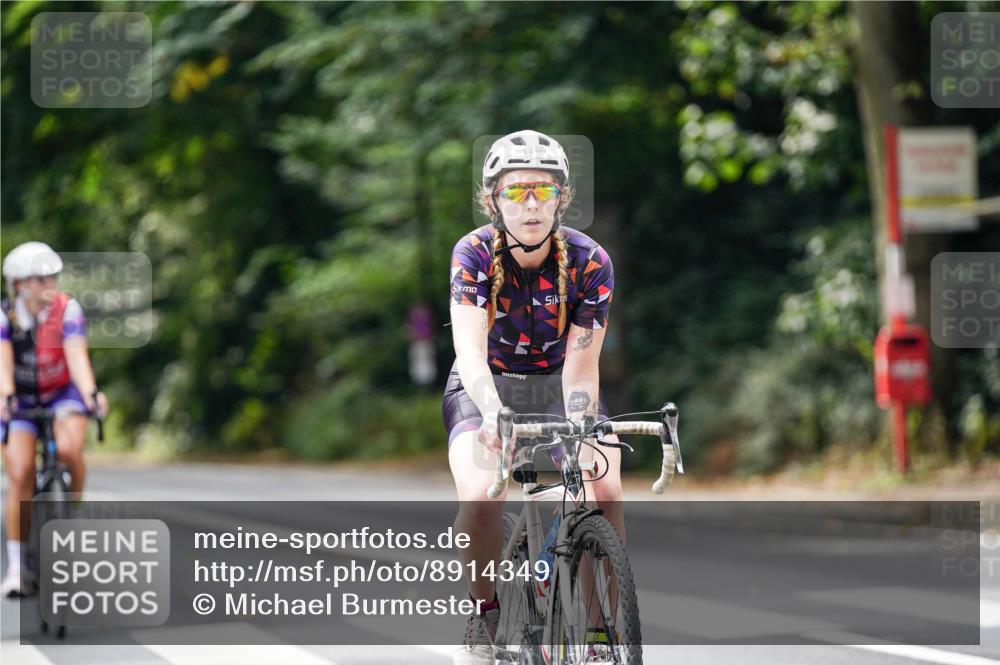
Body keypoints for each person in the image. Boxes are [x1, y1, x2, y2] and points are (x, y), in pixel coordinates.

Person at [444, 130, 622, 664]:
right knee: (480, 496)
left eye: (543, 192)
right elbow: (470, 353)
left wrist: (579, 427)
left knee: (604, 489)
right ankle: (486, 610)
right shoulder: (474, 254)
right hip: (485, 387)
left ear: (561, 199)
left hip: (560, 385)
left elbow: (582, 369)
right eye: (516, 191)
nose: (531, 205)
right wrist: (495, 413)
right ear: (493, 199)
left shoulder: (590, 262)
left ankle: (596, 632)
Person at [0, 242, 107, 597]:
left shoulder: (68, 310)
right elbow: (2, 367)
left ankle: (68, 511)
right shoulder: (5, 317)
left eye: (54, 276)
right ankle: (16, 568)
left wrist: (90, 392)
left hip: (62, 393)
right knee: (20, 474)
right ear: (18, 284)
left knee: (69, 450)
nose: (50, 284)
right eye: (40, 278)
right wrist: (6, 398)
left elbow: (76, 356)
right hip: (22, 399)